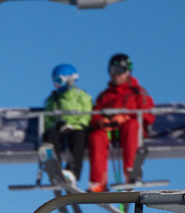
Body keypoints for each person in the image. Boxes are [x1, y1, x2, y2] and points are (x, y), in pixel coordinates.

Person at [87, 52, 155, 192]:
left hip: (129, 130)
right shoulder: (105, 95)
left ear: (127, 72)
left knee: (132, 126)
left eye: (120, 71)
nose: (116, 75)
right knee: (96, 136)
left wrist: (126, 117)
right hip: (110, 132)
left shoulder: (137, 92)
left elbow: (148, 114)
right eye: (113, 71)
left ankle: (130, 171)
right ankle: (98, 181)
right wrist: (101, 121)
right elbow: (94, 115)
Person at [40, 63, 92, 184]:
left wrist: (75, 125)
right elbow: (47, 118)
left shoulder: (81, 96)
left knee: (78, 138)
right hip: (59, 129)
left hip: (76, 128)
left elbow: (87, 114)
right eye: (55, 81)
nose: (56, 84)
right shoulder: (53, 99)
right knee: (51, 135)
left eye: (59, 80)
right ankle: (55, 169)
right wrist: (56, 124)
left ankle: (73, 171)